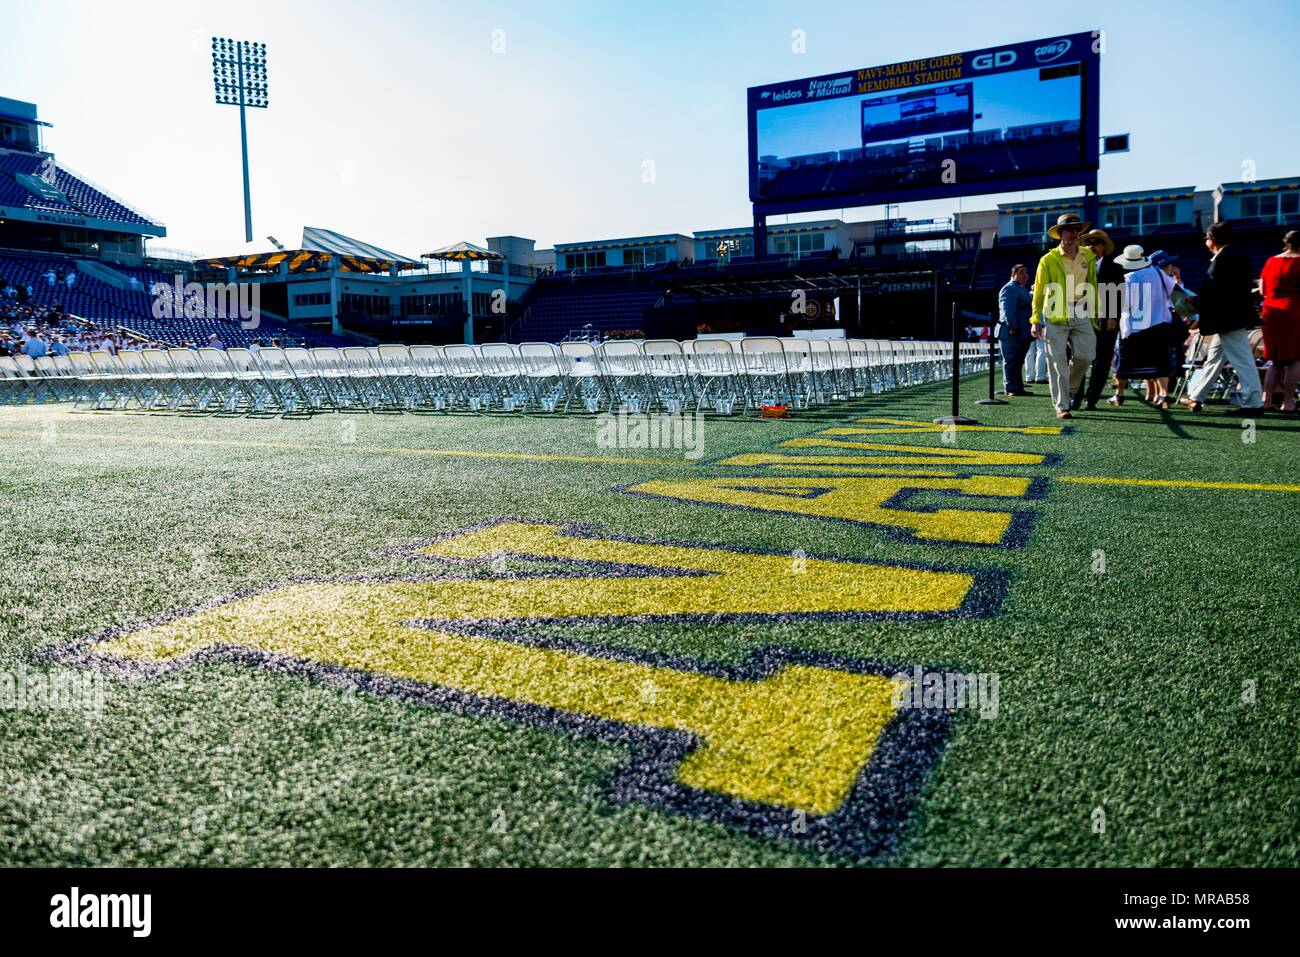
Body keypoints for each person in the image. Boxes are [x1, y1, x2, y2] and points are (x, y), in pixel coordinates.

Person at [1179, 221, 1264, 415]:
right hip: (1232, 316)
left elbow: (1216, 292)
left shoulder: (1223, 259)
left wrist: (1196, 300)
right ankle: (1197, 397)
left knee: (1242, 360)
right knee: (1215, 359)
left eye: (1207, 238)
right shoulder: (1236, 256)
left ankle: (1253, 403)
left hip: (1228, 319)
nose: (1206, 242)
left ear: (1213, 239)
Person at [1030, 213, 1098, 419]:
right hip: (1054, 312)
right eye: (1069, 230)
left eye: (1077, 230)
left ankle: (1070, 387)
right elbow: (1040, 291)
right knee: (1056, 361)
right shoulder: (1048, 259)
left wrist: (1097, 312)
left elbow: (1093, 285)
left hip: (1081, 310)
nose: (1074, 233)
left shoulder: (1088, 256)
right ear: (1060, 234)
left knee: (1087, 355)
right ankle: (1062, 406)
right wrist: (1035, 320)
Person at [1110, 246, 1177, 408]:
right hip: (1160, 323)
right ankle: (1163, 395)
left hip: (1135, 326)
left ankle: (1119, 394)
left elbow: (1125, 304)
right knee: (1161, 362)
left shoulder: (1129, 278)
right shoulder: (1159, 273)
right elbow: (1172, 291)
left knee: (1124, 362)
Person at [1075, 229, 1122, 409]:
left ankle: (1091, 398)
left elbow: (1118, 295)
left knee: (1101, 362)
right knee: (1079, 359)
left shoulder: (1115, 267)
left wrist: (1112, 317)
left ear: (1104, 247)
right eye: (1088, 242)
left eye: (1095, 242)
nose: (1091, 246)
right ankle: (1076, 396)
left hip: (1105, 321)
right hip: (1081, 319)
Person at [1258, 230, 1300, 412]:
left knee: (1276, 361)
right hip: (1294, 311)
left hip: (1271, 312)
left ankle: (1266, 400)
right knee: (1295, 359)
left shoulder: (1270, 261)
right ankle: (1287, 402)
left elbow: (1262, 290)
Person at [996, 264, 1034, 396]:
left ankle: (1017, 387)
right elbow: (1007, 310)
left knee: (1018, 361)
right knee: (1011, 361)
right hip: (1011, 332)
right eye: (1021, 272)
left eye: (1026, 272)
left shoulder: (1021, 289)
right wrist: (1012, 326)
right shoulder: (1010, 288)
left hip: (1021, 333)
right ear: (1013, 275)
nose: (1025, 275)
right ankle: (1011, 388)